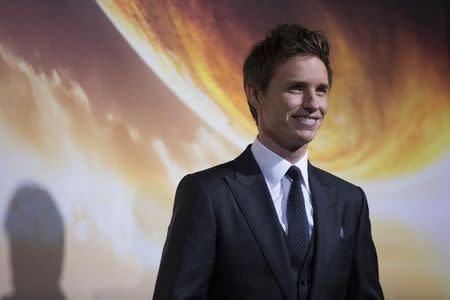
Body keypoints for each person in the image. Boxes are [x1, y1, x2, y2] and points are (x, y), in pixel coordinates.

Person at [153, 24, 384, 300]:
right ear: (256, 95)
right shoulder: (206, 193)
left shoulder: (350, 201)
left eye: (321, 90)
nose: (313, 103)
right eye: (297, 88)